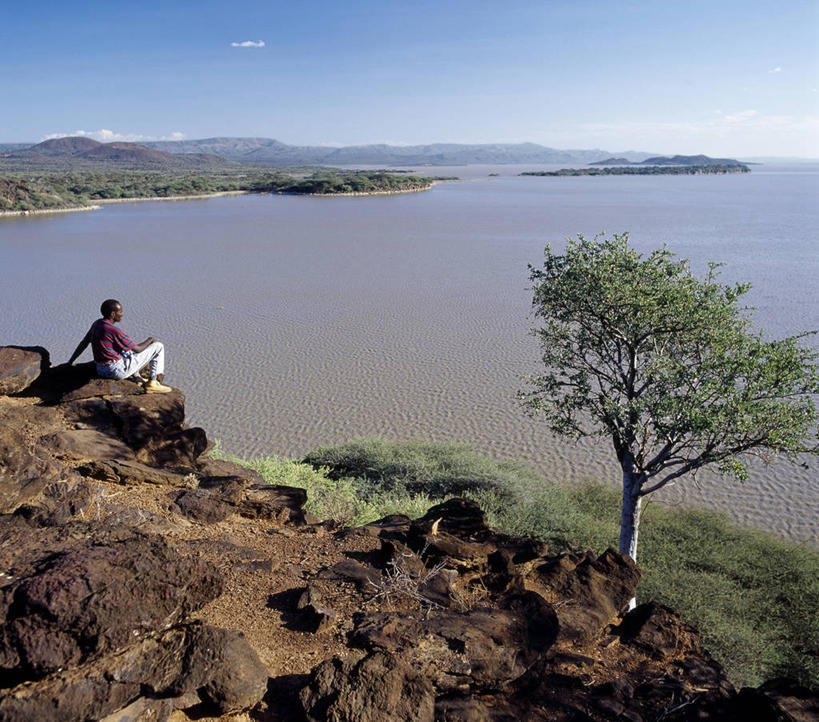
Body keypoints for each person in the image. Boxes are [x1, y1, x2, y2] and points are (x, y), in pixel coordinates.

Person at [68, 299, 172, 393]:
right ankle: (153, 383)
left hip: (100, 369)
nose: (122, 314)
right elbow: (138, 349)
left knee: (127, 351)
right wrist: (150, 340)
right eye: (120, 312)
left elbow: (84, 343)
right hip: (115, 370)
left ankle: (136, 376)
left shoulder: (97, 324)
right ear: (113, 314)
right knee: (158, 346)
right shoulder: (114, 330)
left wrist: (70, 361)